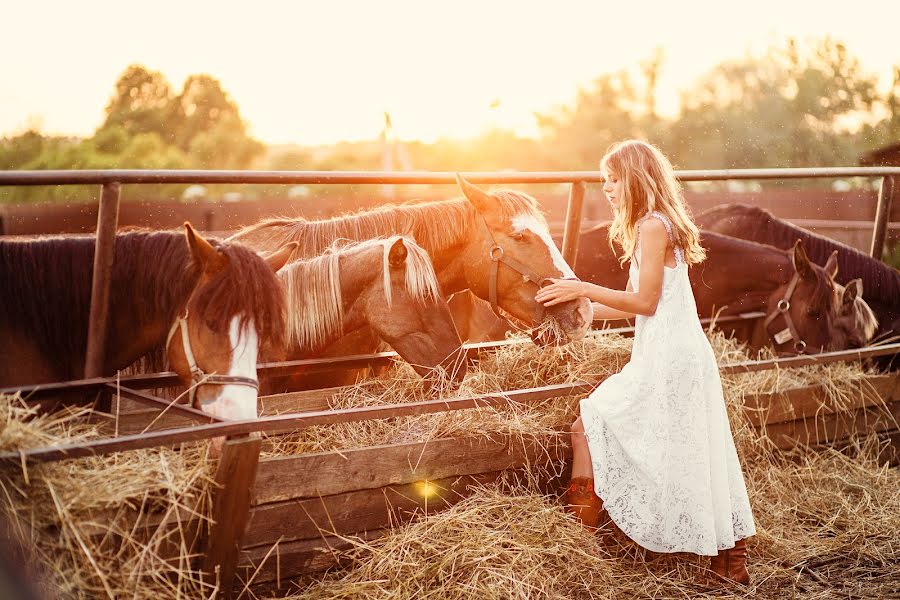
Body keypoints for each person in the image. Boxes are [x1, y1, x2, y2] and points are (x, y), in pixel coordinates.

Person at [535, 140, 756, 585]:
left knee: (597, 422)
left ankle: (579, 547)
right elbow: (637, 305)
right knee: (691, 446)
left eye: (612, 179)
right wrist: (579, 309)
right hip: (666, 353)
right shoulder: (650, 227)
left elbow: (648, 301)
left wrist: (582, 288)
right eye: (604, 180)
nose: (606, 188)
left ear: (634, 178)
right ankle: (731, 562)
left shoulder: (653, 227)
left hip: (672, 358)